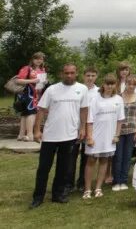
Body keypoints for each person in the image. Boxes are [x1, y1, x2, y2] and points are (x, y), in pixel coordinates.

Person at [30, 63, 89, 208]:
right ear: (61, 74)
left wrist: (82, 128)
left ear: (76, 73)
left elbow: (84, 109)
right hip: (50, 136)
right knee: (44, 168)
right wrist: (37, 130)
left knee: (63, 169)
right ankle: (38, 197)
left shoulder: (82, 89)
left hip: (69, 136)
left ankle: (58, 195)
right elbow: (41, 110)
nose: (69, 75)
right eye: (66, 73)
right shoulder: (52, 89)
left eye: (72, 73)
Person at [83, 74, 124, 200]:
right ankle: (87, 189)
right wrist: (89, 137)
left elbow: (120, 120)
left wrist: (117, 135)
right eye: (107, 84)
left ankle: (98, 188)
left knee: (104, 161)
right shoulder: (95, 99)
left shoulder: (118, 99)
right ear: (103, 84)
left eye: (112, 84)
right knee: (91, 161)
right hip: (95, 135)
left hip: (109, 137)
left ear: (115, 85)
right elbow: (89, 120)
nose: (109, 86)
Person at [112, 73, 136, 192]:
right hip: (119, 131)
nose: (131, 86)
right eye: (129, 84)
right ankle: (117, 181)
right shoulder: (118, 97)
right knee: (118, 157)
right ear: (125, 84)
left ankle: (124, 180)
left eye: (134, 84)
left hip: (132, 131)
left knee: (127, 157)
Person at [15, 51, 47, 142]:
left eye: (41, 59)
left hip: (37, 95)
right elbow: (18, 81)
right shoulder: (27, 68)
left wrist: (44, 82)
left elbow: (41, 84)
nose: (39, 60)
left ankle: (21, 135)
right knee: (30, 113)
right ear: (32, 59)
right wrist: (33, 80)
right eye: (36, 58)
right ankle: (30, 135)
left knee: (25, 114)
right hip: (27, 94)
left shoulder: (42, 70)